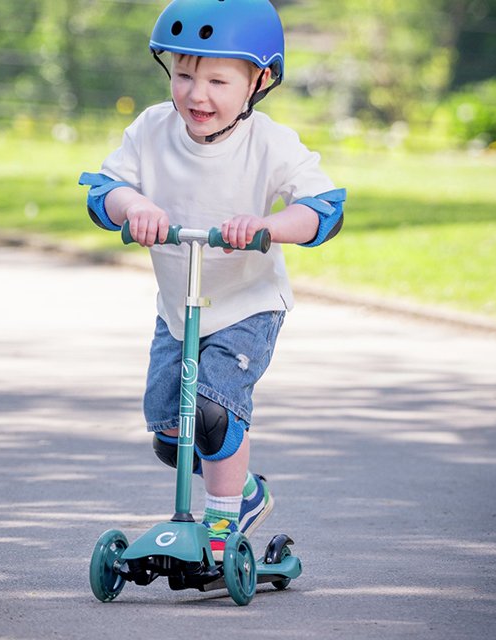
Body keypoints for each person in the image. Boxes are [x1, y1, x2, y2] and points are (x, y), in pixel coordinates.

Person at [79, 0, 345, 561]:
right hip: (178, 307)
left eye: (218, 81)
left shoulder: (270, 142)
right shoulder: (152, 128)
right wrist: (134, 207)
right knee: (170, 435)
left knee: (212, 413)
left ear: (260, 81)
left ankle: (223, 525)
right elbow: (104, 191)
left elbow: (322, 209)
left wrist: (269, 226)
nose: (197, 95)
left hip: (247, 304)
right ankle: (244, 488)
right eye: (183, 75)